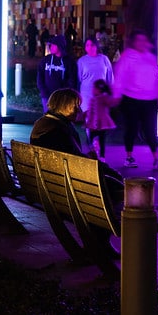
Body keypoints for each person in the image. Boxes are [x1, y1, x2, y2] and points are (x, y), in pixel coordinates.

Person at [30, 88, 123, 254]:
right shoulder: (60, 129)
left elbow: (70, 158)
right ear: (65, 106)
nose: (79, 111)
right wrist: (109, 171)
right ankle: (101, 243)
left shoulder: (43, 123)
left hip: (51, 183)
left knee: (108, 184)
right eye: (75, 106)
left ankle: (97, 244)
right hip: (66, 186)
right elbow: (77, 163)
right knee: (114, 189)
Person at [112, 29, 158, 169]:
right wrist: (116, 95)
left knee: (150, 128)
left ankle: (156, 158)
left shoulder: (149, 57)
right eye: (139, 40)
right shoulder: (127, 57)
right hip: (131, 98)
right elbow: (119, 78)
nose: (142, 43)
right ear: (133, 42)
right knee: (131, 127)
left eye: (144, 40)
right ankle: (129, 156)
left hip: (150, 99)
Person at [76, 36, 114, 147]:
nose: (90, 47)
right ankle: (91, 143)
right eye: (87, 45)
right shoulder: (82, 61)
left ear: (96, 46)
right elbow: (79, 78)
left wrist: (110, 92)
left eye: (92, 45)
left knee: (101, 120)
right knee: (90, 119)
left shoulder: (104, 59)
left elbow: (110, 77)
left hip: (102, 96)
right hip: (87, 94)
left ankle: (100, 146)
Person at [36, 34, 77, 113]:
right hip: (47, 96)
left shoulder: (69, 61)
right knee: (48, 119)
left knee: (61, 119)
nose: (51, 47)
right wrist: (43, 92)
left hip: (62, 98)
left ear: (60, 46)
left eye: (53, 45)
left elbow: (72, 79)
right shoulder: (46, 60)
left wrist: (64, 94)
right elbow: (40, 76)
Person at [84, 79, 117, 162]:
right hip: (92, 124)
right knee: (90, 140)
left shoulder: (104, 98)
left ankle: (102, 156)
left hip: (102, 124)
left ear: (99, 89)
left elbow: (111, 103)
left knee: (102, 140)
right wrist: (84, 115)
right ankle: (92, 154)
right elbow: (90, 111)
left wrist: (115, 95)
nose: (92, 90)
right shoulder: (92, 99)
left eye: (94, 88)